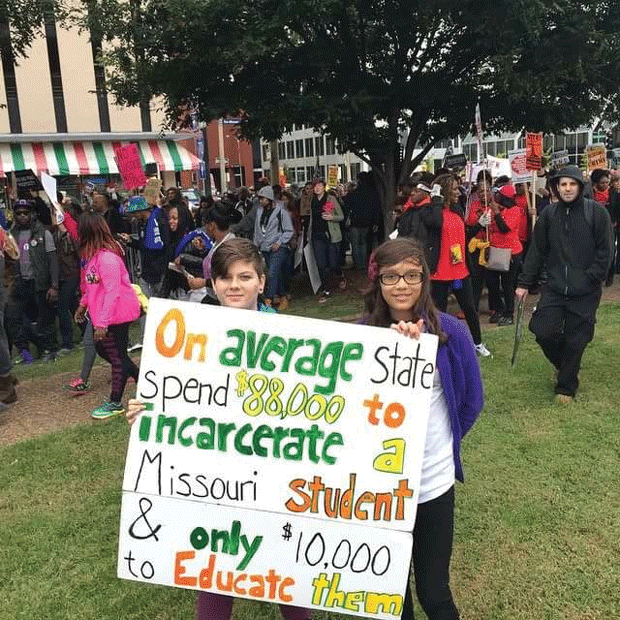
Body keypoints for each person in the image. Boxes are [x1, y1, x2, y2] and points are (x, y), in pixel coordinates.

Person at [126, 238, 312, 620]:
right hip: (215, 479)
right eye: (225, 278)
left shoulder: (294, 339)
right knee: (213, 572)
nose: (235, 285)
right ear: (213, 285)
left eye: (245, 276)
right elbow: (180, 396)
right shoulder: (194, 336)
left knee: (287, 571)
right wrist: (148, 414)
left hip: (276, 474)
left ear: (262, 282)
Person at [364, 237, 484, 620]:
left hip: (433, 484)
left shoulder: (451, 333)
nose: (401, 285)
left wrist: (443, 447)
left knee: (434, 592)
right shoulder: (362, 337)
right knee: (391, 595)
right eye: (391, 277)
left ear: (426, 280)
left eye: (412, 275)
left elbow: (470, 402)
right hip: (377, 491)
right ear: (378, 283)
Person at [516, 165, 614, 403]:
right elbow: (537, 251)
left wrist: (591, 277)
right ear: (556, 188)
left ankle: (566, 388)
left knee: (577, 338)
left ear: (580, 186)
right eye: (563, 184)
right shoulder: (549, 215)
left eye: (572, 184)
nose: (567, 188)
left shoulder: (597, 213)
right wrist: (524, 283)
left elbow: (606, 251)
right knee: (541, 330)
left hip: (586, 290)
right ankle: (566, 365)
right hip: (555, 287)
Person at [75, 212, 141, 419]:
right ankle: (145, 381)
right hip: (103, 315)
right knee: (110, 352)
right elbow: (93, 287)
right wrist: (82, 305)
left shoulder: (108, 259)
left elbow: (112, 291)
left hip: (116, 315)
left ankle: (115, 402)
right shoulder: (94, 258)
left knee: (115, 355)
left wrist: (102, 324)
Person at [428, 174, 491, 357]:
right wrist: (436, 199)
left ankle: (478, 343)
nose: (458, 191)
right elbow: (434, 223)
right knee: (439, 312)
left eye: (458, 188)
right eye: (454, 188)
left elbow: (464, 236)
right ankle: (438, 346)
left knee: (470, 309)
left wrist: (479, 225)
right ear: (444, 190)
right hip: (439, 273)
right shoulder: (433, 211)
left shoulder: (457, 209)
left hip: (460, 270)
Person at [9, 199, 59, 363]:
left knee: (45, 319)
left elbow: (52, 261)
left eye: (25, 213)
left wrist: (54, 285)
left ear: (32, 214)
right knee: (18, 322)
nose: (22, 216)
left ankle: (50, 350)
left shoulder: (43, 233)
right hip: (20, 284)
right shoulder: (12, 235)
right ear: (14, 216)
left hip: (41, 283)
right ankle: (27, 354)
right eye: (19, 213)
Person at [232, 186, 294, 306]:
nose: (261, 201)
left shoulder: (281, 212)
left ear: (270, 199)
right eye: (260, 199)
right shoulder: (259, 211)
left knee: (272, 272)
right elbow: (257, 230)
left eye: (263, 199)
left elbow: (289, 230)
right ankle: (282, 296)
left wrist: (280, 242)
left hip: (278, 247)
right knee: (275, 273)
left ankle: (269, 299)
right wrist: (256, 245)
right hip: (264, 247)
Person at [308, 179, 345, 302]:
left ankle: (339, 275)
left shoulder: (330, 199)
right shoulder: (312, 200)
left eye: (319, 186)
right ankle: (325, 289)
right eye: (315, 186)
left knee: (333, 262)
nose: (317, 188)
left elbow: (341, 216)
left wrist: (332, 217)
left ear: (324, 187)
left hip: (329, 235)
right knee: (321, 264)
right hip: (317, 235)